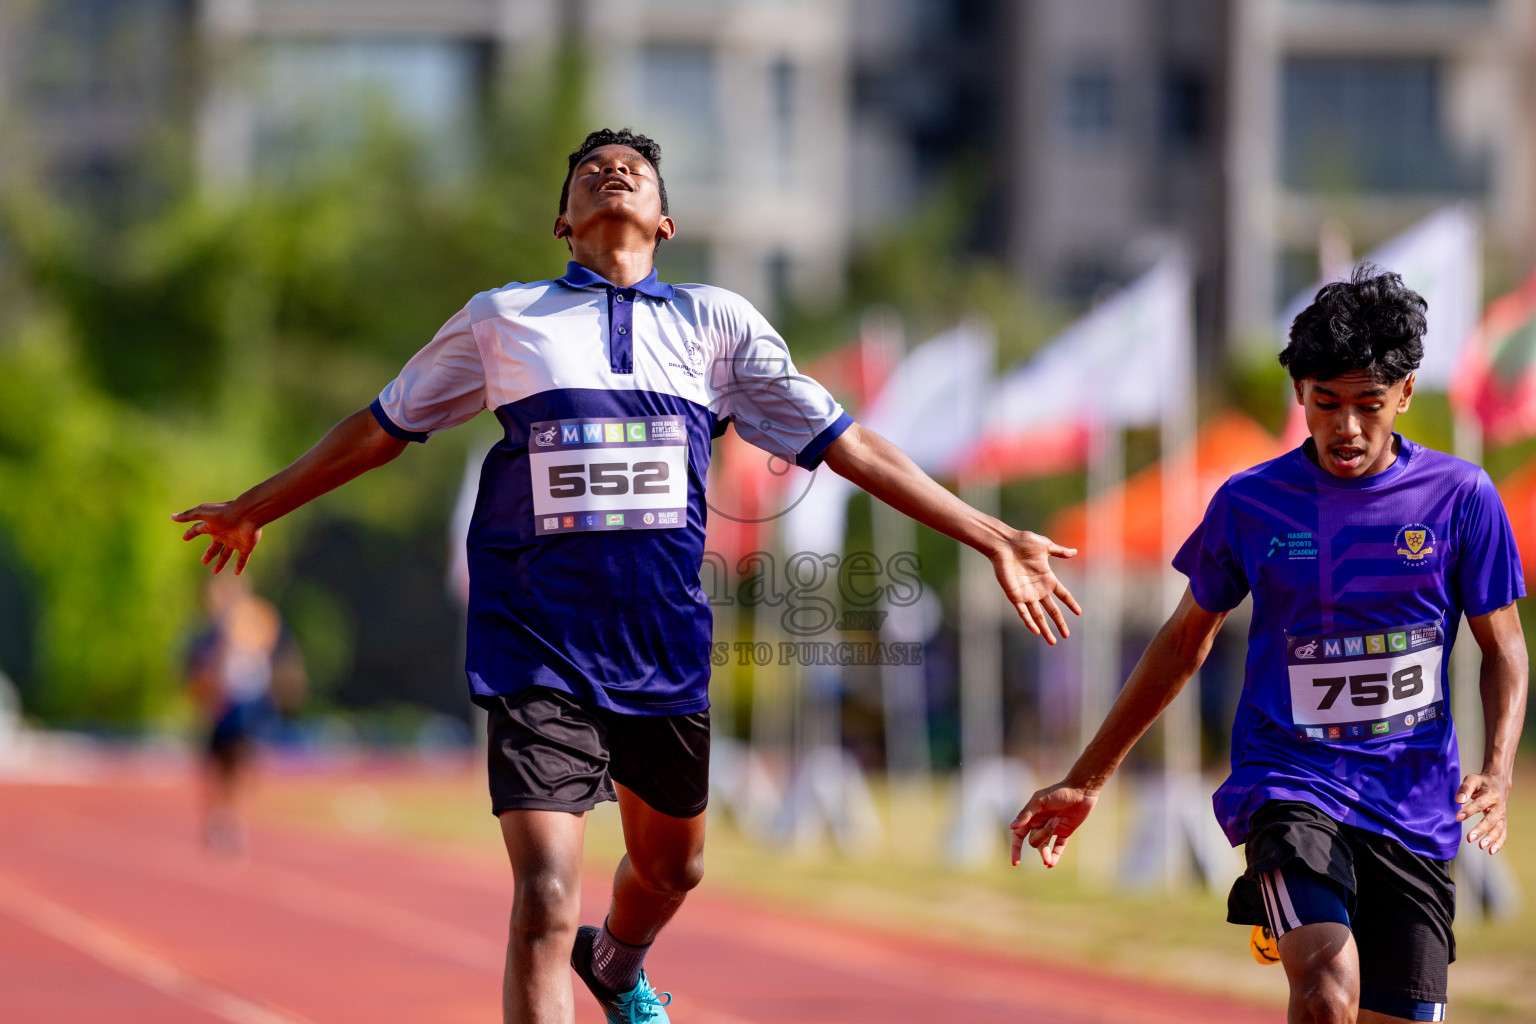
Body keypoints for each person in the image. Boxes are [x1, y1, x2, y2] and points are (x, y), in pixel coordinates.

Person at [173, 127, 1082, 1024]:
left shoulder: (716, 323)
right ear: (562, 222)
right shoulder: (504, 319)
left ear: (667, 220)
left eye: (634, 171)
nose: (613, 175)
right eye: (592, 172)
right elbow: (382, 426)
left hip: (660, 641)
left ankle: (616, 963)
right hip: (535, 641)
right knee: (543, 895)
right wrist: (258, 504)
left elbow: (851, 445)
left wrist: (992, 533)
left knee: (672, 869)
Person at [1013, 266, 1528, 1024]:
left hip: (1413, 805)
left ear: (1408, 395)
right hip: (1289, 782)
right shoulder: (1251, 503)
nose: (1346, 428)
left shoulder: (1462, 498)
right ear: (1301, 397)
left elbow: (1505, 647)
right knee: (1326, 988)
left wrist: (1499, 769)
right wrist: (1088, 779)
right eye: (1326, 404)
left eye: (1368, 405)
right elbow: (1183, 641)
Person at [185, 573, 307, 853]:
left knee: (239, 763)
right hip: (219, 708)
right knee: (216, 767)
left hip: (248, 707)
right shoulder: (207, 634)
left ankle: (233, 817)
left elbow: (276, 653)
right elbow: (196, 673)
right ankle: (219, 817)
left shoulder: (257, 622)